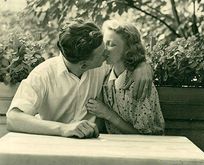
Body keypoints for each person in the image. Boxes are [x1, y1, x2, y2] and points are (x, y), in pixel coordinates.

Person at [6, 19, 153, 139]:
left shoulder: (102, 66)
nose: (106, 54)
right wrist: (63, 129)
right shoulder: (44, 74)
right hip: (54, 147)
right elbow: (13, 118)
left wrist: (142, 65)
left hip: (98, 148)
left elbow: (128, 49)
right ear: (84, 64)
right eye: (102, 53)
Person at [87, 19, 165, 135]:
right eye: (105, 43)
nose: (105, 50)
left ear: (128, 50)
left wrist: (107, 113)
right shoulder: (105, 74)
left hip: (145, 149)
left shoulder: (139, 83)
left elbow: (147, 138)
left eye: (112, 44)